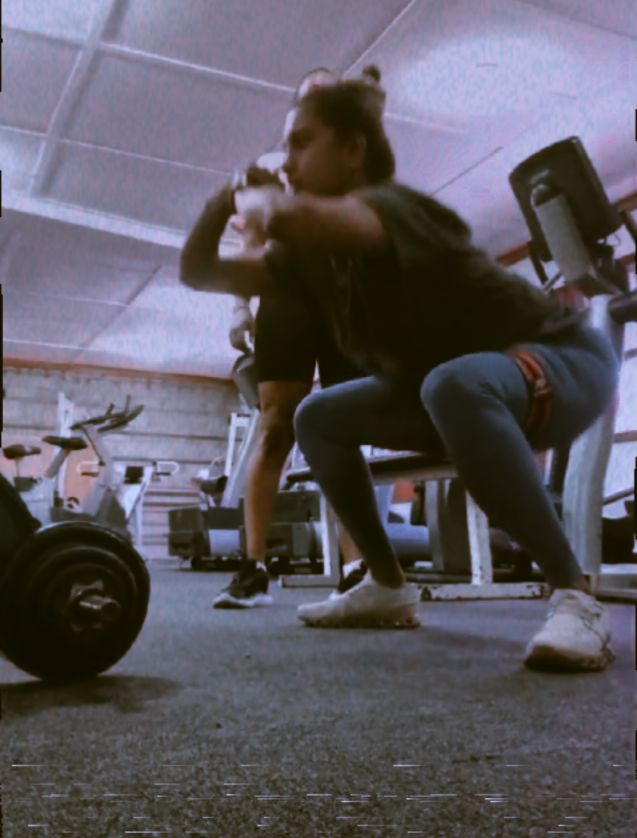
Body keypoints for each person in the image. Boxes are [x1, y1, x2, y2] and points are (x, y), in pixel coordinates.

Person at [214, 70, 620, 672]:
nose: (289, 163)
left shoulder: (389, 210)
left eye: (302, 143)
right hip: (461, 384)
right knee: (319, 415)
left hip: (566, 356)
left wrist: (255, 199)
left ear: (351, 151)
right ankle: (386, 583)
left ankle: (576, 597)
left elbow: (305, 220)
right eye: (286, 149)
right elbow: (259, 263)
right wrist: (240, 302)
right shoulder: (333, 272)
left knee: (450, 383)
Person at [180, 67, 385, 609]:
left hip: (343, 298)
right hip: (288, 295)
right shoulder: (276, 167)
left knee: (342, 433)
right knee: (275, 430)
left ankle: (357, 568)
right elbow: (251, 240)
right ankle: (253, 569)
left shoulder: (351, 159)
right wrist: (238, 307)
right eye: (311, 94)